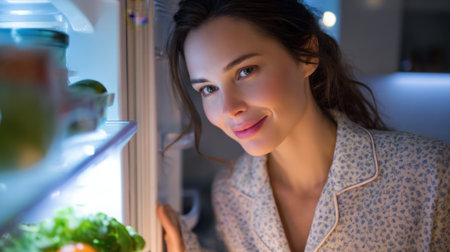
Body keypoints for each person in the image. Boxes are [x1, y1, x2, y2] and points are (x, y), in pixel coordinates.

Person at [157, 0, 450, 251]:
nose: (229, 108)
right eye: (208, 88)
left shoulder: (429, 174)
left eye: (246, 71)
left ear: (307, 55)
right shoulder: (232, 193)